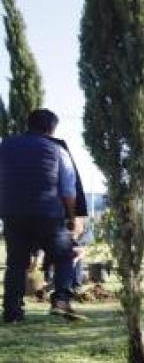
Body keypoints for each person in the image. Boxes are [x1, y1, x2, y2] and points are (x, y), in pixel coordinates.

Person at [0, 109, 85, 322]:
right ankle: (61, 300)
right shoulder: (58, 150)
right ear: (51, 128)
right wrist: (72, 218)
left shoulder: (5, 146)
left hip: (13, 213)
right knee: (66, 255)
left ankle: (12, 312)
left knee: (16, 263)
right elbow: (68, 189)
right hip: (48, 214)